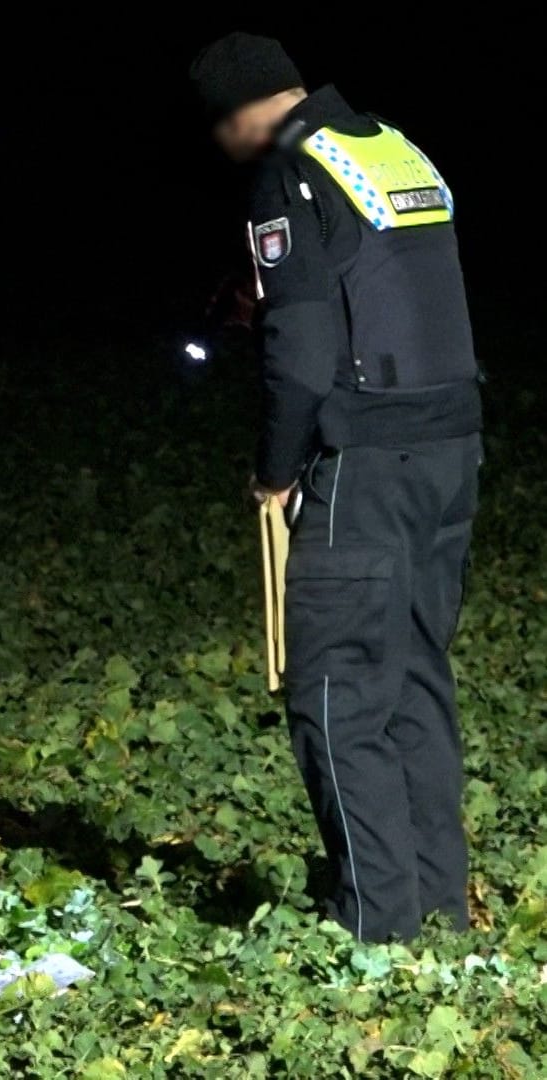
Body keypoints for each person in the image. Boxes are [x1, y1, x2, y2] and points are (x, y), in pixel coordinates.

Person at [191, 34, 483, 941]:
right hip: (453, 444)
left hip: (366, 457)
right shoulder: (392, 146)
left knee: (335, 688)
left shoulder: (289, 172)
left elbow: (305, 352)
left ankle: (377, 922)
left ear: (242, 112)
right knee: (414, 675)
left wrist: (276, 468)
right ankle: (438, 903)